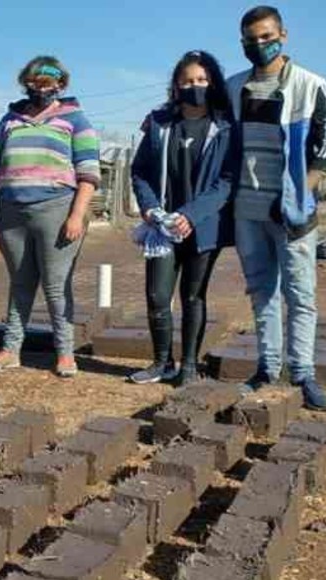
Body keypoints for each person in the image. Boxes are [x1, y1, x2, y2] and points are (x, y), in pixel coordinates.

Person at [229, 5, 326, 411]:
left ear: (283, 35)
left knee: (300, 291)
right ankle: (267, 366)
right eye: (250, 39)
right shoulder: (233, 87)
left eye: (266, 36)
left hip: (292, 212)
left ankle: (304, 373)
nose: (259, 44)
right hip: (247, 208)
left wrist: (300, 192)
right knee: (261, 290)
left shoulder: (311, 86)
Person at [0, 56, 101, 377]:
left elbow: (88, 172)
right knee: (20, 283)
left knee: (55, 285)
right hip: (11, 212)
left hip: (56, 209)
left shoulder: (76, 119)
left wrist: (76, 215)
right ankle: (10, 349)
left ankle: (64, 353)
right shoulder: (9, 120)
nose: (40, 88)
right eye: (33, 82)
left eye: (47, 83)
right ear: (25, 83)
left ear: (60, 84)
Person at [128, 51, 238, 387]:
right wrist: (148, 208)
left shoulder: (225, 127)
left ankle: (189, 365)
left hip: (203, 226)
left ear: (213, 82)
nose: (195, 86)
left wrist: (190, 215)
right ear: (176, 85)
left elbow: (227, 181)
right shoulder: (161, 124)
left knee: (194, 296)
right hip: (162, 227)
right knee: (157, 296)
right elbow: (140, 171)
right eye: (188, 81)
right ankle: (162, 362)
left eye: (202, 80)